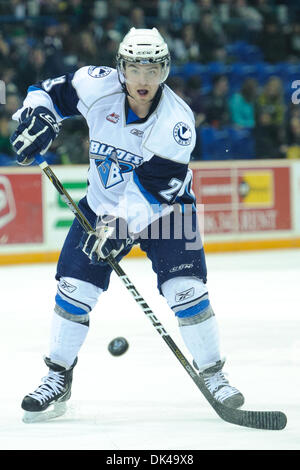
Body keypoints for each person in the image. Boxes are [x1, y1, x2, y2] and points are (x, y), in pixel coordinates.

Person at [10, 27, 244, 423]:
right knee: (73, 290)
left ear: (165, 70)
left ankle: (214, 374)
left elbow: (154, 188)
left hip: (167, 212)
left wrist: (121, 227)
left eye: (152, 69)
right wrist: (39, 118)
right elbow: (46, 91)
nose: (143, 79)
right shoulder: (95, 84)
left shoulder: (176, 121)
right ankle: (57, 376)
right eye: (135, 67)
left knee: (186, 291)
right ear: (121, 67)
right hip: (100, 207)